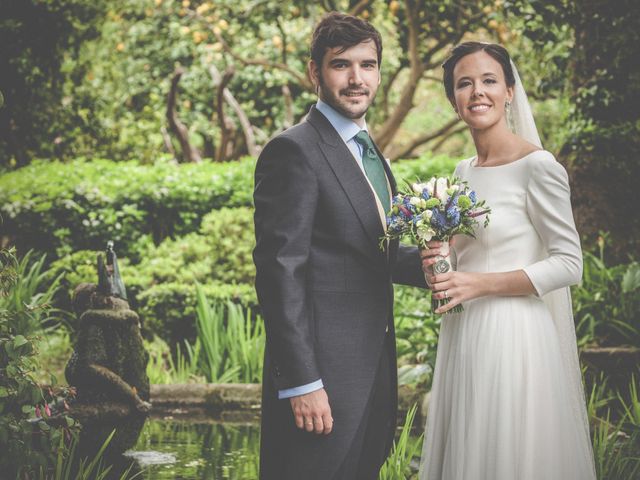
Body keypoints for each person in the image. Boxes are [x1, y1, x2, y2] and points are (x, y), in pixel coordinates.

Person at [253, 12, 426, 480]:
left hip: (371, 372)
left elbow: (373, 254)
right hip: (321, 380)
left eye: (367, 65)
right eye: (341, 65)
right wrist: (302, 382)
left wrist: (433, 267)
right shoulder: (294, 151)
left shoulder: (370, 152)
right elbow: (279, 273)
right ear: (315, 72)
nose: (356, 79)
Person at [419, 41, 596, 479]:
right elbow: (467, 251)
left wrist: (478, 284)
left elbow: (569, 263)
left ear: (510, 91)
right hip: (464, 332)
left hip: (514, 336)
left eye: (489, 81)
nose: (477, 92)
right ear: (453, 100)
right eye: (464, 84)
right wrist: (439, 259)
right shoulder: (462, 172)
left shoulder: (538, 167)